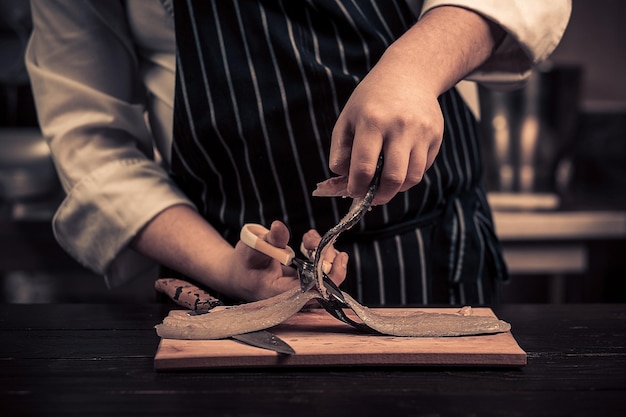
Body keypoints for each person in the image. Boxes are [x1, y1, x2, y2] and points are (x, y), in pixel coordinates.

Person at [26, 0, 571, 306]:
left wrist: (413, 67)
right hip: (226, 272)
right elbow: (94, 144)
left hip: (427, 261)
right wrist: (224, 266)